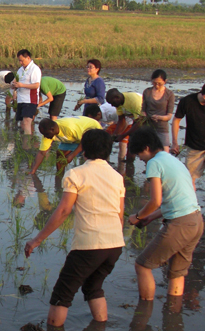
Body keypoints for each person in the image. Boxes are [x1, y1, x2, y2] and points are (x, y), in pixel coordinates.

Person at [25, 129, 125, 327]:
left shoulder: (76, 174)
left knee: (62, 295)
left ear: (84, 150)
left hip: (89, 245)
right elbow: (120, 215)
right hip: (115, 245)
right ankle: (100, 325)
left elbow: (63, 211)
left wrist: (36, 240)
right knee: (93, 287)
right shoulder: (116, 177)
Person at [128, 127, 204, 301]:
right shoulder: (172, 160)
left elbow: (155, 201)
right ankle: (172, 314)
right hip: (196, 220)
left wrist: (137, 216)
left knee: (142, 265)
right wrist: (150, 218)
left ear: (146, 148)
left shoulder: (154, 163)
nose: (140, 158)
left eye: (139, 154)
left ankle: (143, 311)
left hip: (179, 225)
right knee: (176, 273)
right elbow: (177, 200)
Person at [29, 117, 102, 175]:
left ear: (52, 129)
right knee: (60, 154)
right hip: (74, 138)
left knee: (89, 157)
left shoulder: (70, 128)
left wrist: (72, 155)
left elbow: (84, 141)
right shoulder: (47, 134)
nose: (45, 136)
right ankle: (59, 176)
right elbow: (42, 153)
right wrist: (33, 170)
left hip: (93, 132)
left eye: (46, 134)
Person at [141, 69, 174, 151]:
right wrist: (145, 116)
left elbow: (169, 115)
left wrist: (159, 117)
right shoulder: (147, 92)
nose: (157, 85)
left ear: (165, 81)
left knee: (165, 152)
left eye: (160, 83)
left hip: (162, 127)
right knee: (148, 152)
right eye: (154, 83)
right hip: (148, 126)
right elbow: (143, 110)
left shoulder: (169, 94)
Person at [10, 49, 41, 135]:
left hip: (30, 100)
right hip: (21, 99)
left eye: (22, 60)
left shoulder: (34, 69)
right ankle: (23, 143)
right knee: (22, 123)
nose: (20, 62)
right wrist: (14, 85)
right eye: (19, 60)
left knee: (27, 122)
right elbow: (17, 82)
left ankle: (27, 146)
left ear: (28, 58)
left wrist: (22, 85)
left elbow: (36, 85)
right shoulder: (20, 70)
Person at [106, 89, 144, 156]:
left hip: (146, 119)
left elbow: (139, 122)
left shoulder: (134, 101)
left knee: (134, 144)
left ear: (117, 97)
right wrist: (114, 135)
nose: (112, 105)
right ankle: (129, 164)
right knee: (131, 144)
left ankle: (130, 162)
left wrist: (123, 135)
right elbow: (121, 120)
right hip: (136, 120)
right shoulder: (119, 103)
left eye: (112, 103)